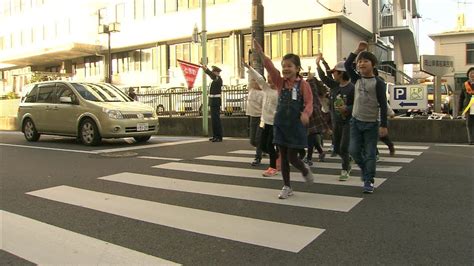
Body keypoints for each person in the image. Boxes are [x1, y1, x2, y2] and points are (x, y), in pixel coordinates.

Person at [253, 39, 314, 199]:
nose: (286, 69)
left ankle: (304, 169)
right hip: (280, 124)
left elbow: (309, 102)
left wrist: (306, 114)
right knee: (284, 157)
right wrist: (261, 54)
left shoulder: (303, 85)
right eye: (284, 66)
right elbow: (270, 68)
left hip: (295, 126)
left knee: (293, 157)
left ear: (297, 68)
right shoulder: (280, 82)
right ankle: (287, 186)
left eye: (289, 66)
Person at [345, 41, 388, 193]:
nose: (361, 64)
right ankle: (366, 171)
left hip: (371, 124)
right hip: (355, 121)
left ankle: (368, 180)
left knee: (370, 153)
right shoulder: (357, 79)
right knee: (354, 151)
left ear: (373, 64)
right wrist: (357, 50)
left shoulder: (379, 83)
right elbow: (347, 64)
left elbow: (383, 105)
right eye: (360, 62)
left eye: (365, 61)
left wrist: (384, 125)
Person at [317, 55, 355, 181]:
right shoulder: (334, 86)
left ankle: (345, 168)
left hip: (348, 122)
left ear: (341, 73)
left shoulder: (352, 88)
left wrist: (347, 109)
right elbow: (323, 78)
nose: (333, 75)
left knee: (344, 147)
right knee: (337, 148)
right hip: (336, 122)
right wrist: (319, 64)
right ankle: (348, 159)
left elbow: (356, 105)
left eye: (335, 72)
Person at [243, 62, 279, 176]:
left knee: (269, 144)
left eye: (271, 76)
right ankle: (278, 156)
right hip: (264, 121)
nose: (269, 79)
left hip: (276, 122)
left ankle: (273, 167)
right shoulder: (266, 88)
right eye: (268, 77)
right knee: (261, 144)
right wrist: (249, 68)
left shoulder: (281, 91)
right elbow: (259, 78)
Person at [304, 69, 332, 166]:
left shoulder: (313, 95)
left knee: (310, 138)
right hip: (310, 118)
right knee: (312, 138)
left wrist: (310, 79)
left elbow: (312, 87)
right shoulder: (310, 94)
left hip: (314, 119)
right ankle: (320, 152)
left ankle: (309, 158)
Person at [245, 65, 264, 166]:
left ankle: (258, 157)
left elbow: (259, 78)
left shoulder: (263, 93)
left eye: (255, 81)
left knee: (258, 138)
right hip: (252, 116)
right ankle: (263, 148)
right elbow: (252, 76)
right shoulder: (251, 90)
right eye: (253, 81)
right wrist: (248, 68)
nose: (253, 82)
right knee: (252, 140)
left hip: (261, 118)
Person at [201, 64, 223, 142]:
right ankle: (215, 135)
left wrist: (206, 70)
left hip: (216, 102)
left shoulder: (218, 79)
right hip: (212, 102)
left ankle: (219, 136)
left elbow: (212, 76)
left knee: (216, 120)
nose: (213, 73)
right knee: (213, 120)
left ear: (217, 72)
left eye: (214, 72)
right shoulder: (214, 80)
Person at [459, 67, 474, 145]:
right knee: (469, 124)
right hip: (468, 107)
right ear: (468, 75)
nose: (472, 74)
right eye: (471, 73)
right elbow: (461, 97)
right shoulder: (465, 84)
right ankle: (470, 140)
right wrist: (460, 108)